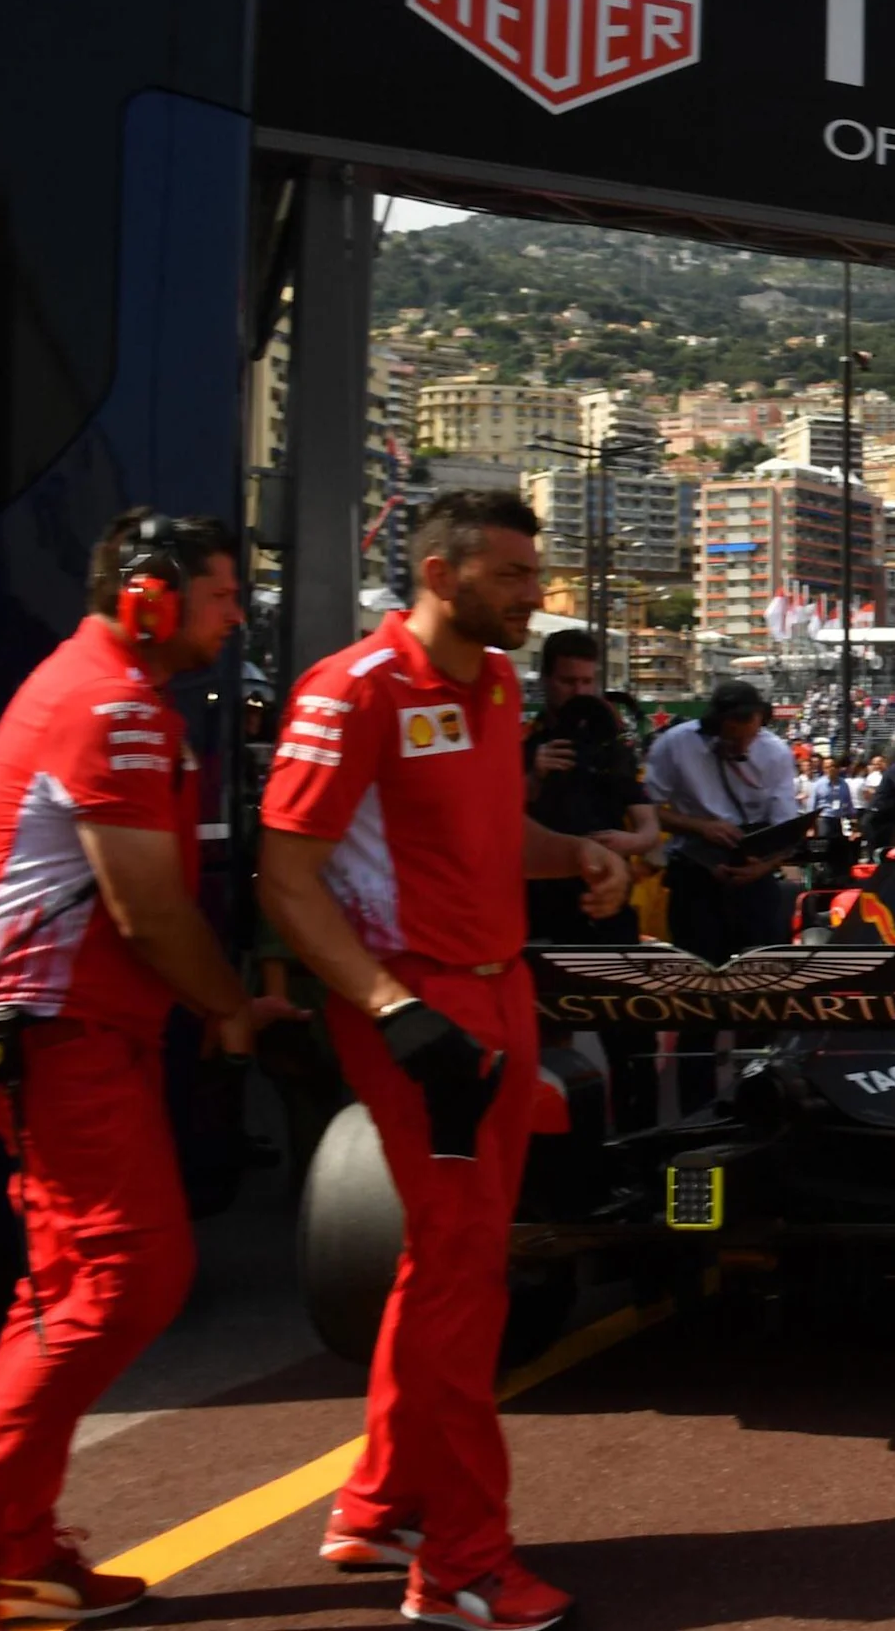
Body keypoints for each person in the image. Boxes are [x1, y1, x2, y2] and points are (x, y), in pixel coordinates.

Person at [0, 513, 267, 1631]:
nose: (235, 616)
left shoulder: (96, 693)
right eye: (222, 595)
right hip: (58, 1031)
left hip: (65, 1027)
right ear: (148, 596)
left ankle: (15, 1546)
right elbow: (148, 909)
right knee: (128, 1276)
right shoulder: (115, 710)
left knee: (64, 1287)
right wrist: (231, 1008)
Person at [253, 491, 626, 1631]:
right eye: (512, 575)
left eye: (533, 572)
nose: (534, 594)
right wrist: (391, 1007)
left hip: (499, 992)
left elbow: (486, 835)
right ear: (439, 572)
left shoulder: (497, 682)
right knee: (466, 1280)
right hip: (424, 1020)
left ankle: (381, 1506)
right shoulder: (351, 689)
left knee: (448, 1262)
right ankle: (462, 1563)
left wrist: (581, 851)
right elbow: (286, 875)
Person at [644, 682, 804, 963]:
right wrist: (700, 827)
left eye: (749, 738)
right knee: (696, 966)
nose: (742, 748)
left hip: (753, 873)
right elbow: (647, 810)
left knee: (760, 966)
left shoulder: (775, 753)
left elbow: (786, 828)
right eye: (732, 739)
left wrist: (764, 866)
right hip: (694, 875)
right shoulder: (675, 745)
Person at [522, 629, 660, 942]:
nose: (579, 692)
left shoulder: (611, 746)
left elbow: (648, 826)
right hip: (539, 904)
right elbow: (494, 821)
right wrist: (534, 775)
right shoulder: (521, 741)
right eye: (568, 682)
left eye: (587, 682)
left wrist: (629, 842)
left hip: (606, 902)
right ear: (545, 679)